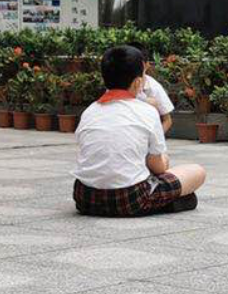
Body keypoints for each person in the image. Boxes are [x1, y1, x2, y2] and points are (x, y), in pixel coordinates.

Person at [72, 44, 206, 216]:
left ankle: (163, 202)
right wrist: (164, 160)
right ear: (137, 82)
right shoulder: (147, 111)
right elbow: (158, 168)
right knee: (197, 172)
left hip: (85, 198)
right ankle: (163, 202)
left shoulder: (89, 112)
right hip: (129, 197)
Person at [137, 54, 176, 134]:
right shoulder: (116, 86)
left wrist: (156, 139)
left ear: (146, 65)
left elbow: (167, 120)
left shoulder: (154, 87)